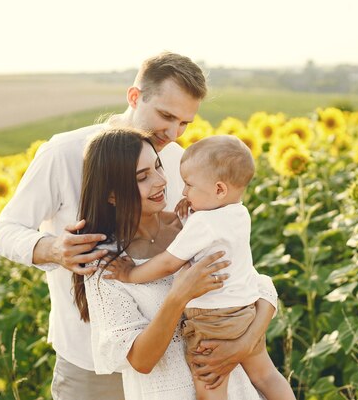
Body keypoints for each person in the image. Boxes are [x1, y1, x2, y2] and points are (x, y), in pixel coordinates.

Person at [0, 52, 277, 400]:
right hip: (90, 358)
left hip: (177, 363)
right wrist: (52, 249)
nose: (172, 133)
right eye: (166, 116)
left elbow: (230, 261)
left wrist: (246, 341)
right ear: (134, 96)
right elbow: (4, 230)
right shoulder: (63, 153)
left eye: (185, 123)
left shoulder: (179, 163)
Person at [75, 127, 279, 399]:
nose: (160, 181)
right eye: (142, 177)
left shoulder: (197, 225)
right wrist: (179, 296)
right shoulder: (106, 264)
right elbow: (141, 360)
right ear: (111, 194)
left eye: (158, 166)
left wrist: (244, 344)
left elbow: (260, 287)